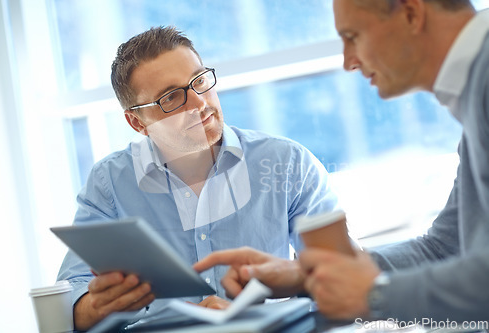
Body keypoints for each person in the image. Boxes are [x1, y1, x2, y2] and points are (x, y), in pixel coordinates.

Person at [195, 0, 489, 323]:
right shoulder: (475, 94)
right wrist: (305, 275)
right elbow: (443, 249)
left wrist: (377, 297)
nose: (349, 62)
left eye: (353, 36)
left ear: (411, 13)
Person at [56, 26, 338, 331]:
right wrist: (96, 305)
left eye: (200, 81)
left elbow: (344, 276)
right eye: (172, 97)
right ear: (137, 122)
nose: (199, 104)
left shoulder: (287, 163)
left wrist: (283, 288)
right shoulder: (109, 183)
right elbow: (72, 293)